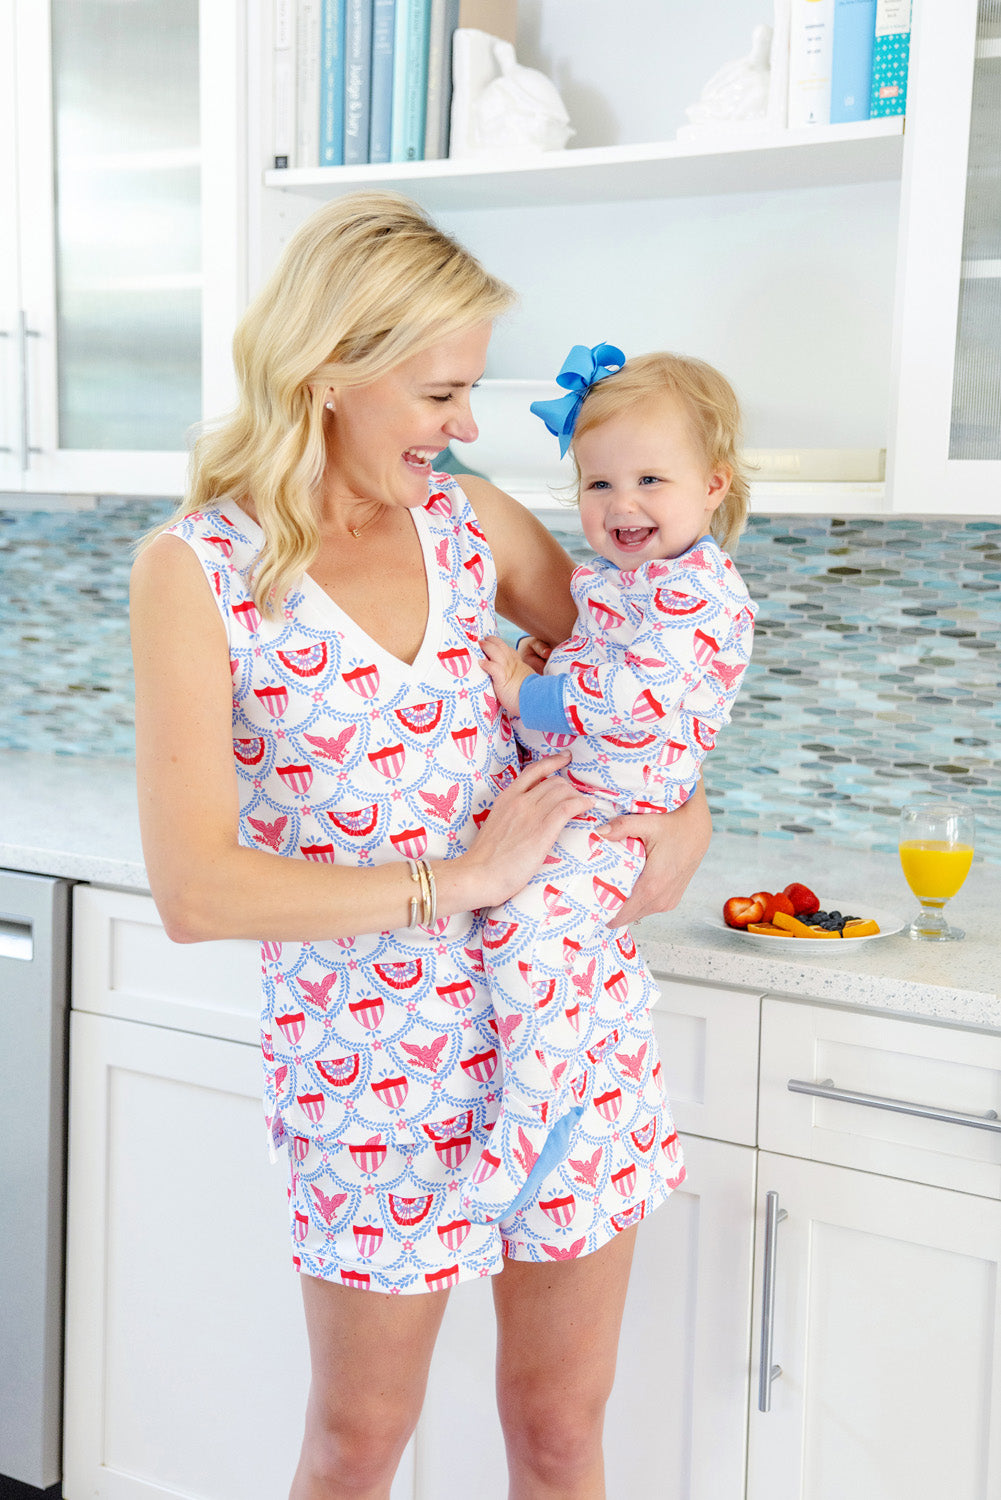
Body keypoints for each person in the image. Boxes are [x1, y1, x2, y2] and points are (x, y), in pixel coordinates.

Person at [129, 192, 713, 1500]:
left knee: (558, 1431)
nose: (466, 427)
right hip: (372, 1066)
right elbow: (194, 889)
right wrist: (462, 880)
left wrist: (686, 809)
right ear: (330, 372)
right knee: (357, 1445)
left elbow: (642, 685)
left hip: (566, 1032)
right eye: (441, 393)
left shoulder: (471, 522)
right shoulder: (199, 571)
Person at [459, 345, 757, 1225]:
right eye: (598, 484)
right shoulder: (628, 585)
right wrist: (556, 663)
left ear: (713, 484)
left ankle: (536, 1115)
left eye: (649, 480)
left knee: (523, 934)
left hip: (613, 823)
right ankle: (555, 1097)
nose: (621, 505)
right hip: (587, 810)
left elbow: (628, 699)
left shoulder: (697, 592)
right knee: (548, 955)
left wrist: (527, 689)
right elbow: (605, 679)